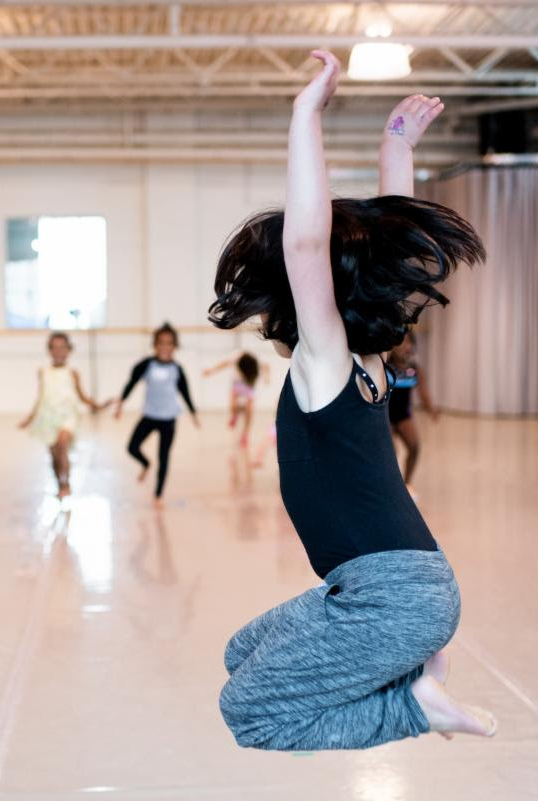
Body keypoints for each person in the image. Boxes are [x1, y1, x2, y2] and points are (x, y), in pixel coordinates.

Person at [208, 53, 494, 750]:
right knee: (242, 652)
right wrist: (397, 148)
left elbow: (308, 245)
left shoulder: (328, 363)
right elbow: (390, 256)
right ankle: (413, 670)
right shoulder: (369, 365)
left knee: (249, 712)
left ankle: (415, 704)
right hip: (405, 586)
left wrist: (306, 113)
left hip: (393, 597)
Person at [114, 322, 200, 507]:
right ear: (155, 344)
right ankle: (146, 464)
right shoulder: (147, 365)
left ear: (174, 346)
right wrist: (121, 403)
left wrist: (193, 413)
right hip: (149, 416)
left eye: (169, 343)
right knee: (132, 447)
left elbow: (185, 392)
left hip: (168, 419)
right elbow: (131, 383)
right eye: (161, 343)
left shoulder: (177, 369)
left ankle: (158, 495)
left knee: (164, 457)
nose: (165, 347)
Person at [20, 331, 108, 499]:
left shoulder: (72, 373)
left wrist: (99, 405)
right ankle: (59, 484)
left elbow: (82, 396)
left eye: (62, 348)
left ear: (69, 350)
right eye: (55, 348)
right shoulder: (43, 372)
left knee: (62, 444)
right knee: (54, 456)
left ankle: (66, 483)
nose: (59, 351)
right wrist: (29, 419)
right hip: (48, 417)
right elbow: (40, 397)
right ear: (49, 350)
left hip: (68, 416)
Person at [387, 329, 439, 485]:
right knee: (391, 453)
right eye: (402, 341)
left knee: (414, 447)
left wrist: (431, 409)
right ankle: (391, 485)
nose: (405, 346)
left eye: (409, 341)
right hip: (385, 415)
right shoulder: (386, 366)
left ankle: (407, 483)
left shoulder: (414, 369)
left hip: (403, 415)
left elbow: (424, 392)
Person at [203, 351, 268, 448]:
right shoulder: (236, 357)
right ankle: (234, 415)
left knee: (249, 409)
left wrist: (267, 377)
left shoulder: (257, 360)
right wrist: (211, 370)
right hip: (237, 382)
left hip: (249, 382)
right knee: (233, 403)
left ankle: (245, 434)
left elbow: (267, 366)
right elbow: (223, 364)